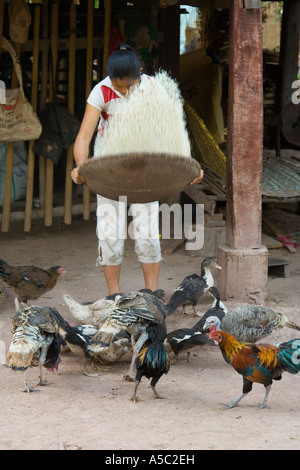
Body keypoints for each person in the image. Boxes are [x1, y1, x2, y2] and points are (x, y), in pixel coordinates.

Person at [71, 44, 203, 295]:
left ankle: (151, 295)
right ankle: (113, 296)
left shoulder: (154, 89)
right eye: (117, 85)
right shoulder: (101, 91)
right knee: (110, 235)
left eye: (128, 85)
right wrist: (80, 166)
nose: (122, 90)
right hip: (108, 170)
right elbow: (83, 137)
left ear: (140, 73)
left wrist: (187, 165)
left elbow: (173, 130)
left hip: (145, 170)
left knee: (148, 233)